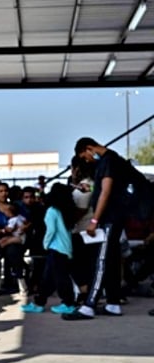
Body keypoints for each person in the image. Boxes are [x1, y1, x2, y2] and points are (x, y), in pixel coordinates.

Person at [64, 137, 139, 320]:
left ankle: (89, 305)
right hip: (114, 217)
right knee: (111, 261)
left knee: (101, 261)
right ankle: (113, 303)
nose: (87, 161)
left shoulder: (108, 162)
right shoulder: (115, 160)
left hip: (109, 218)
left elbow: (105, 191)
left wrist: (95, 220)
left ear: (89, 149)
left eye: (85, 157)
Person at [21, 183, 77, 314]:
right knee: (48, 279)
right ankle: (39, 302)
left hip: (55, 249)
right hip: (65, 248)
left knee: (60, 278)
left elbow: (50, 231)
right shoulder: (66, 211)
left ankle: (68, 303)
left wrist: (45, 244)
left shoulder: (52, 210)